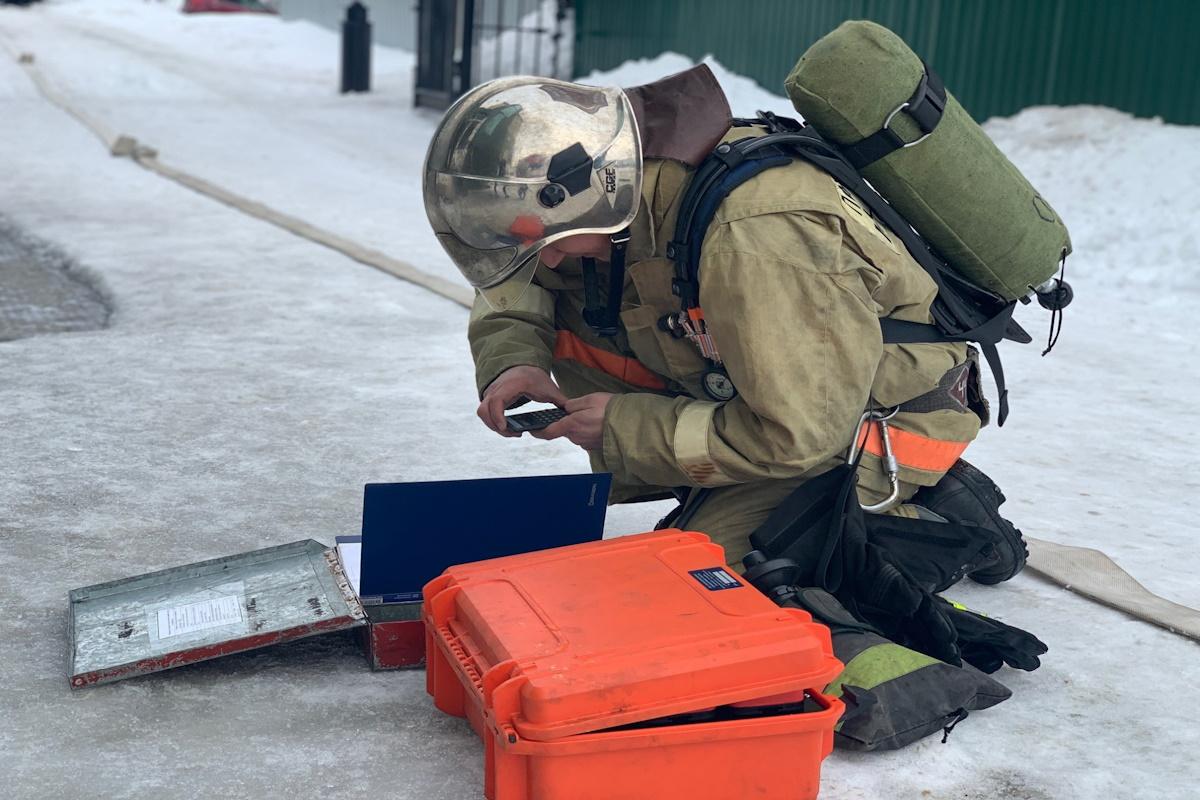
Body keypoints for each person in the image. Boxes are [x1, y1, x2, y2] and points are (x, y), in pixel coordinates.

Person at [423, 65, 1024, 581]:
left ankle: (933, 516)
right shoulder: (628, 189)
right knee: (575, 301)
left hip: (873, 419)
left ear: (581, 193)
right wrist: (515, 361)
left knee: (713, 583)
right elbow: (519, 283)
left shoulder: (755, 238)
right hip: (780, 397)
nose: (545, 259)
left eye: (543, 239)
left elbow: (798, 435)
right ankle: (733, 492)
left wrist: (627, 428)